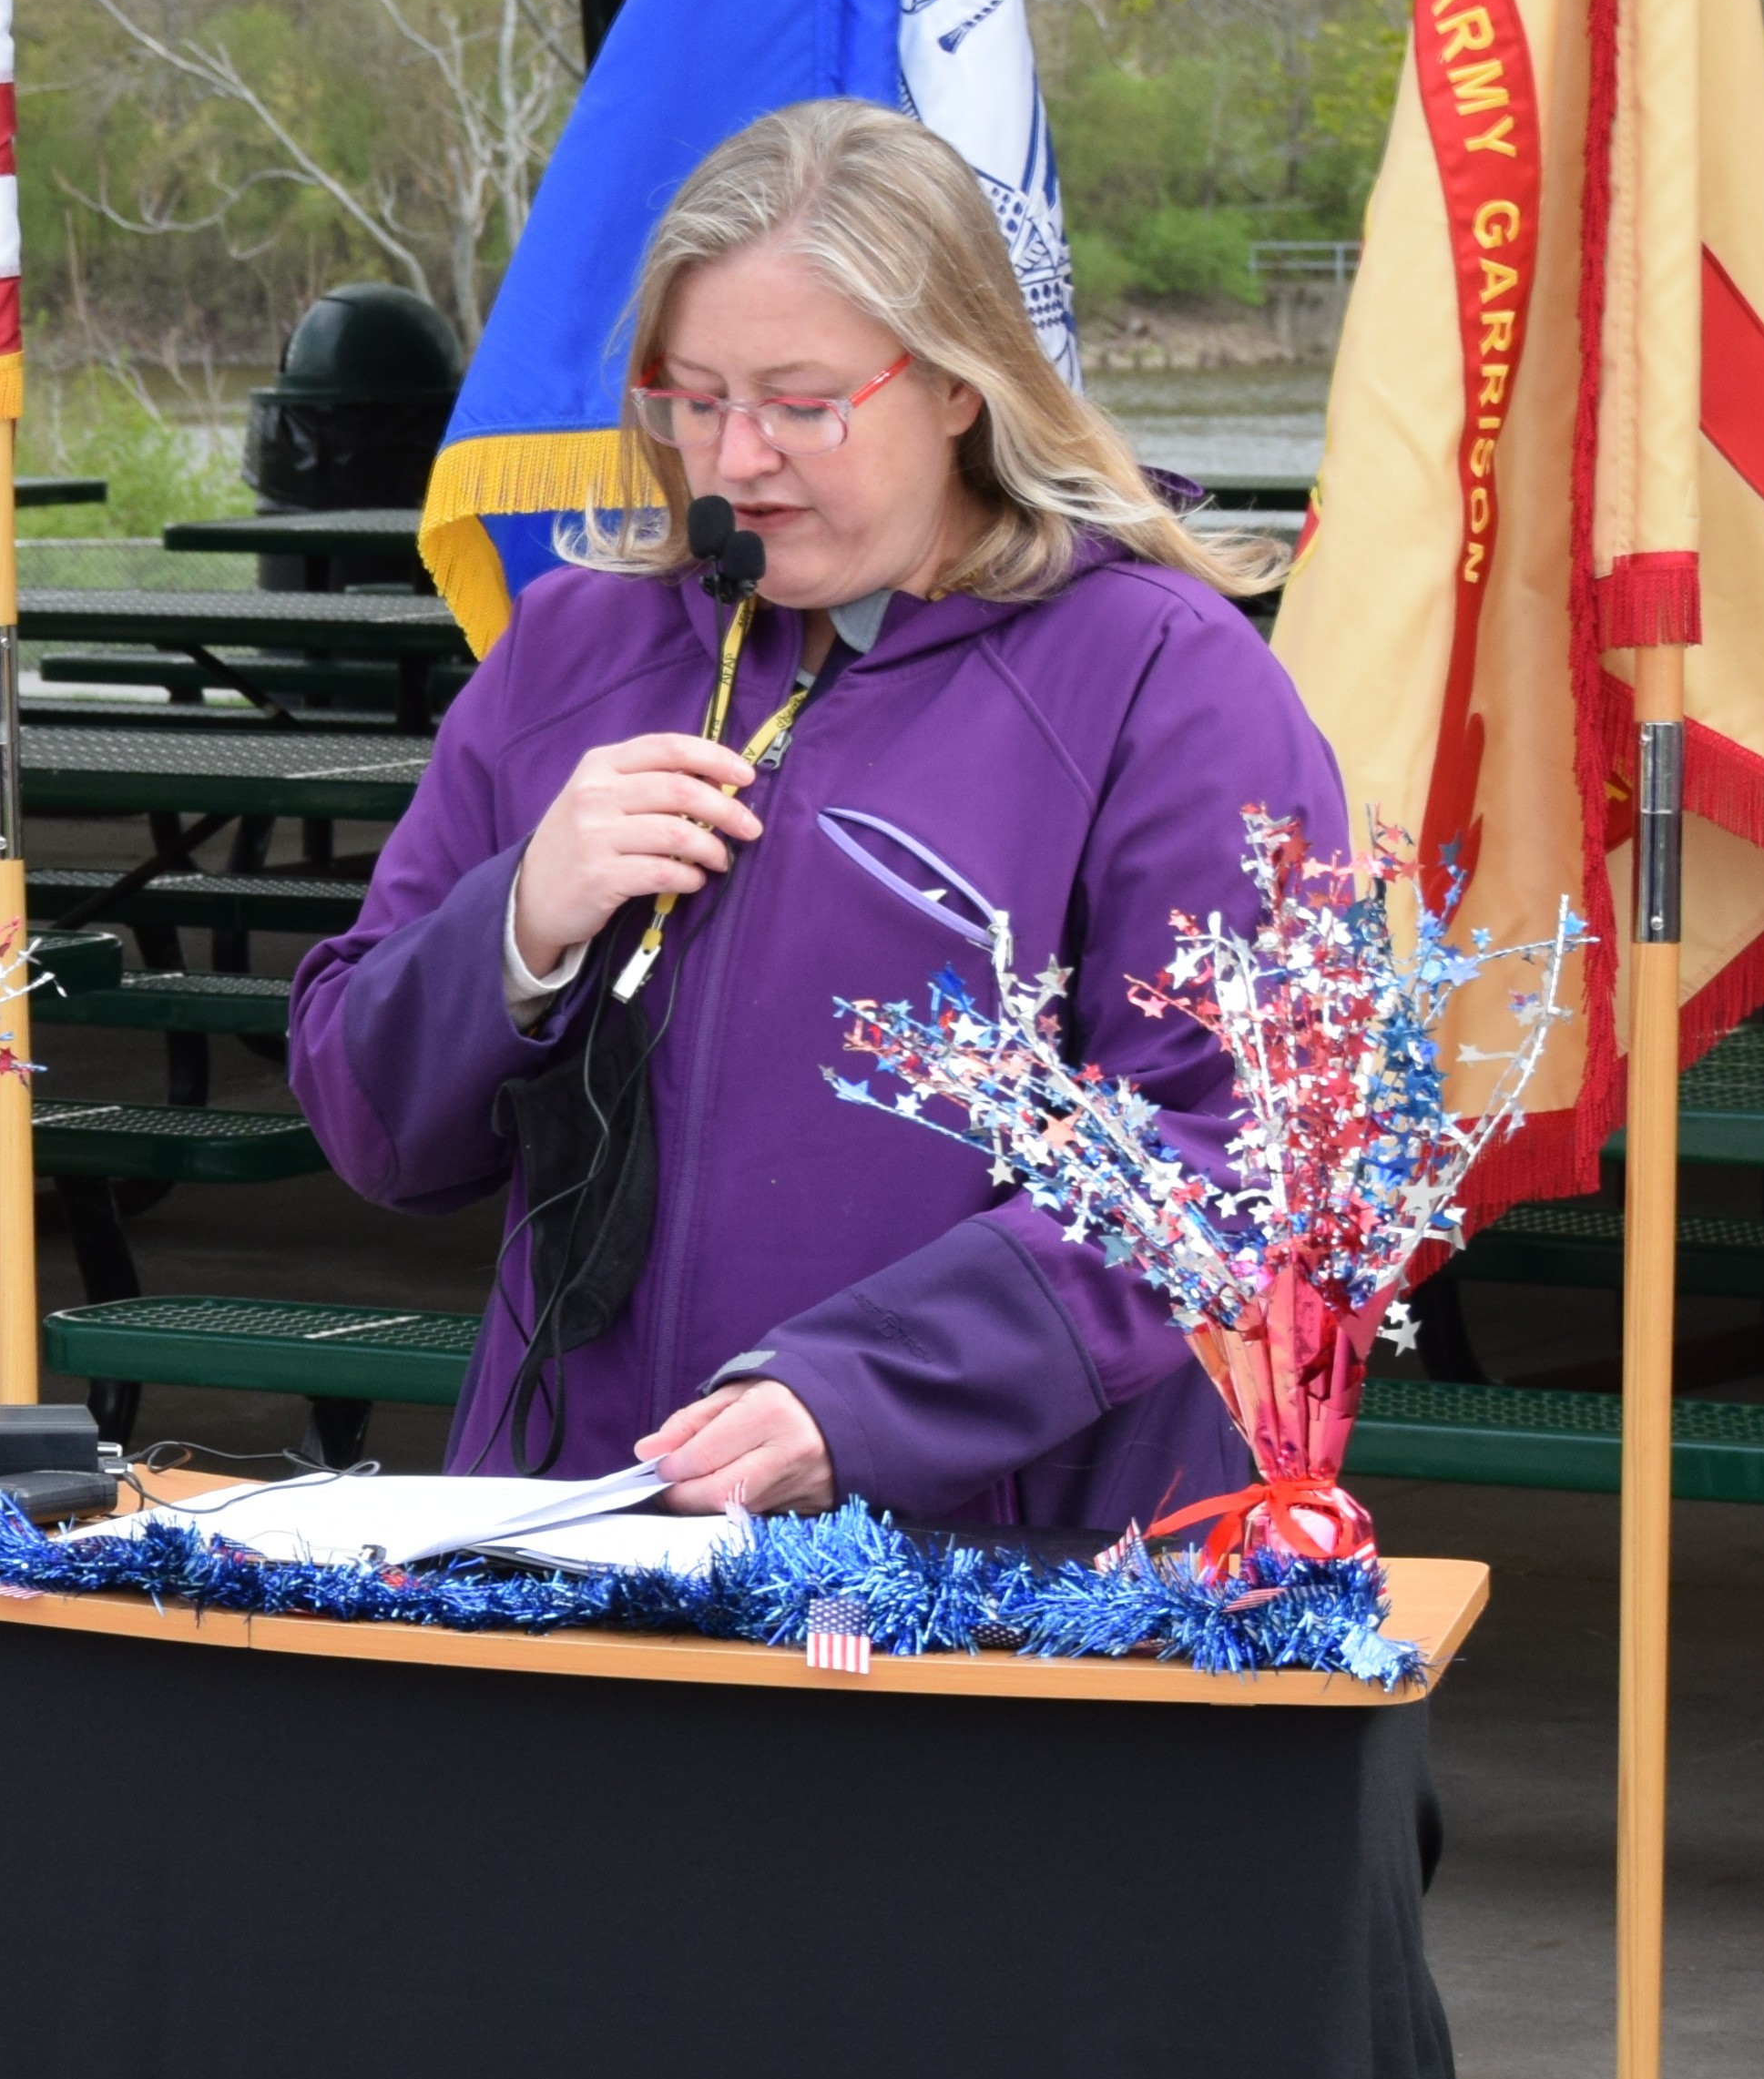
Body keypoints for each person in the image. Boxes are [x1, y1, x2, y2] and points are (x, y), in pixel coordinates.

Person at [290, 99, 1343, 1535]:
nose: (736, 460)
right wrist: (520, 924)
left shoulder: (1165, 676)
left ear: (962, 384)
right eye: (695, 395)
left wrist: (858, 1399)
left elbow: (1237, 1156)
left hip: (1000, 1569)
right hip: (575, 1535)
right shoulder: (573, 655)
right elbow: (372, 1126)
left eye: (802, 403)